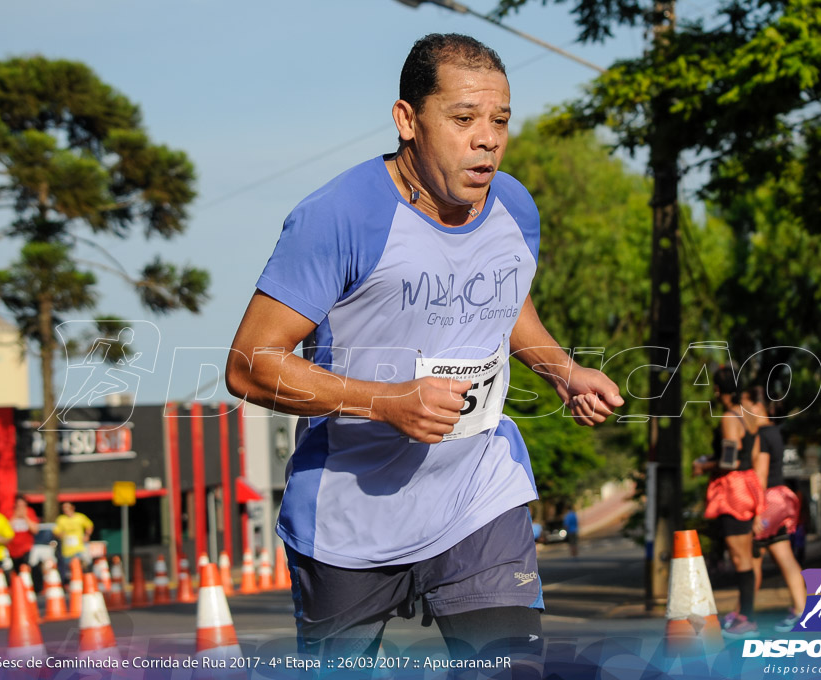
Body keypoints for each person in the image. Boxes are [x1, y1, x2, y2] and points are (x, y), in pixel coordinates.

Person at [225, 33, 624, 663]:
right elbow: (250, 364)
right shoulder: (340, 217)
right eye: (463, 119)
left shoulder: (513, 206)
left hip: (477, 494)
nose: (487, 138)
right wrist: (386, 403)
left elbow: (504, 300)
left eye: (499, 120)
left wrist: (562, 370)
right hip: (350, 518)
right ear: (408, 120)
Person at [693, 369, 764, 639]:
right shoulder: (748, 412)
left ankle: (746, 618)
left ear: (719, 390)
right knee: (744, 556)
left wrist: (703, 465)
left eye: (714, 387)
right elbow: (751, 453)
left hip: (732, 491)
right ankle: (746, 617)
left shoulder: (728, 417)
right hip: (747, 485)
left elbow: (729, 460)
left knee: (739, 558)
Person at [741, 387, 806, 632]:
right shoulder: (774, 433)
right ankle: (800, 610)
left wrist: (757, 511)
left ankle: (744, 617)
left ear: (758, 406)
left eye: (746, 405)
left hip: (769, 501)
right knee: (785, 557)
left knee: (751, 560)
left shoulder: (761, 435)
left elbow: (761, 473)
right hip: (782, 498)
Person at [53, 502, 93, 578]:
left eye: (67, 507)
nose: (65, 510)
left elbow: (89, 525)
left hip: (79, 548)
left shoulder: (80, 517)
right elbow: (56, 532)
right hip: (67, 550)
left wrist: (87, 535)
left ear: (72, 508)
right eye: (64, 508)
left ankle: (83, 580)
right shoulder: (61, 519)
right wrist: (60, 534)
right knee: (69, 570)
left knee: (82, 565)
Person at [7, 494, 39, 572]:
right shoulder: (10, 513)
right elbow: (6, 530)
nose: (20, 507)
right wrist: (15, 516)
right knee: (15, 571)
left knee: (27, 570)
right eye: (18, 504)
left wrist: (25, 517)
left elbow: (35, 530)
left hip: (27, 547)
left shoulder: (30, 512)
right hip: (12, 548)